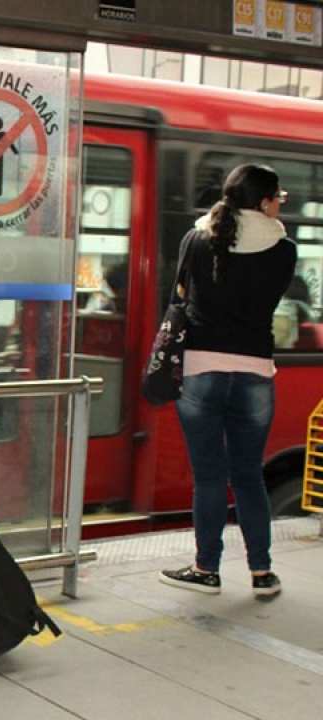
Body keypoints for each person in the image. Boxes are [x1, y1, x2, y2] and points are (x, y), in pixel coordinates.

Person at [158, 163, 296, 599]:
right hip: (254, 372)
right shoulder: (284, 249)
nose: (280, 204)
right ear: (264, 201)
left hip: (200, 370)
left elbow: (179, 297)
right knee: (250, 476)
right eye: (279, 197)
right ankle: (261, 573)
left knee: (210, 477)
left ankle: (206, 569)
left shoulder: (197, 239)